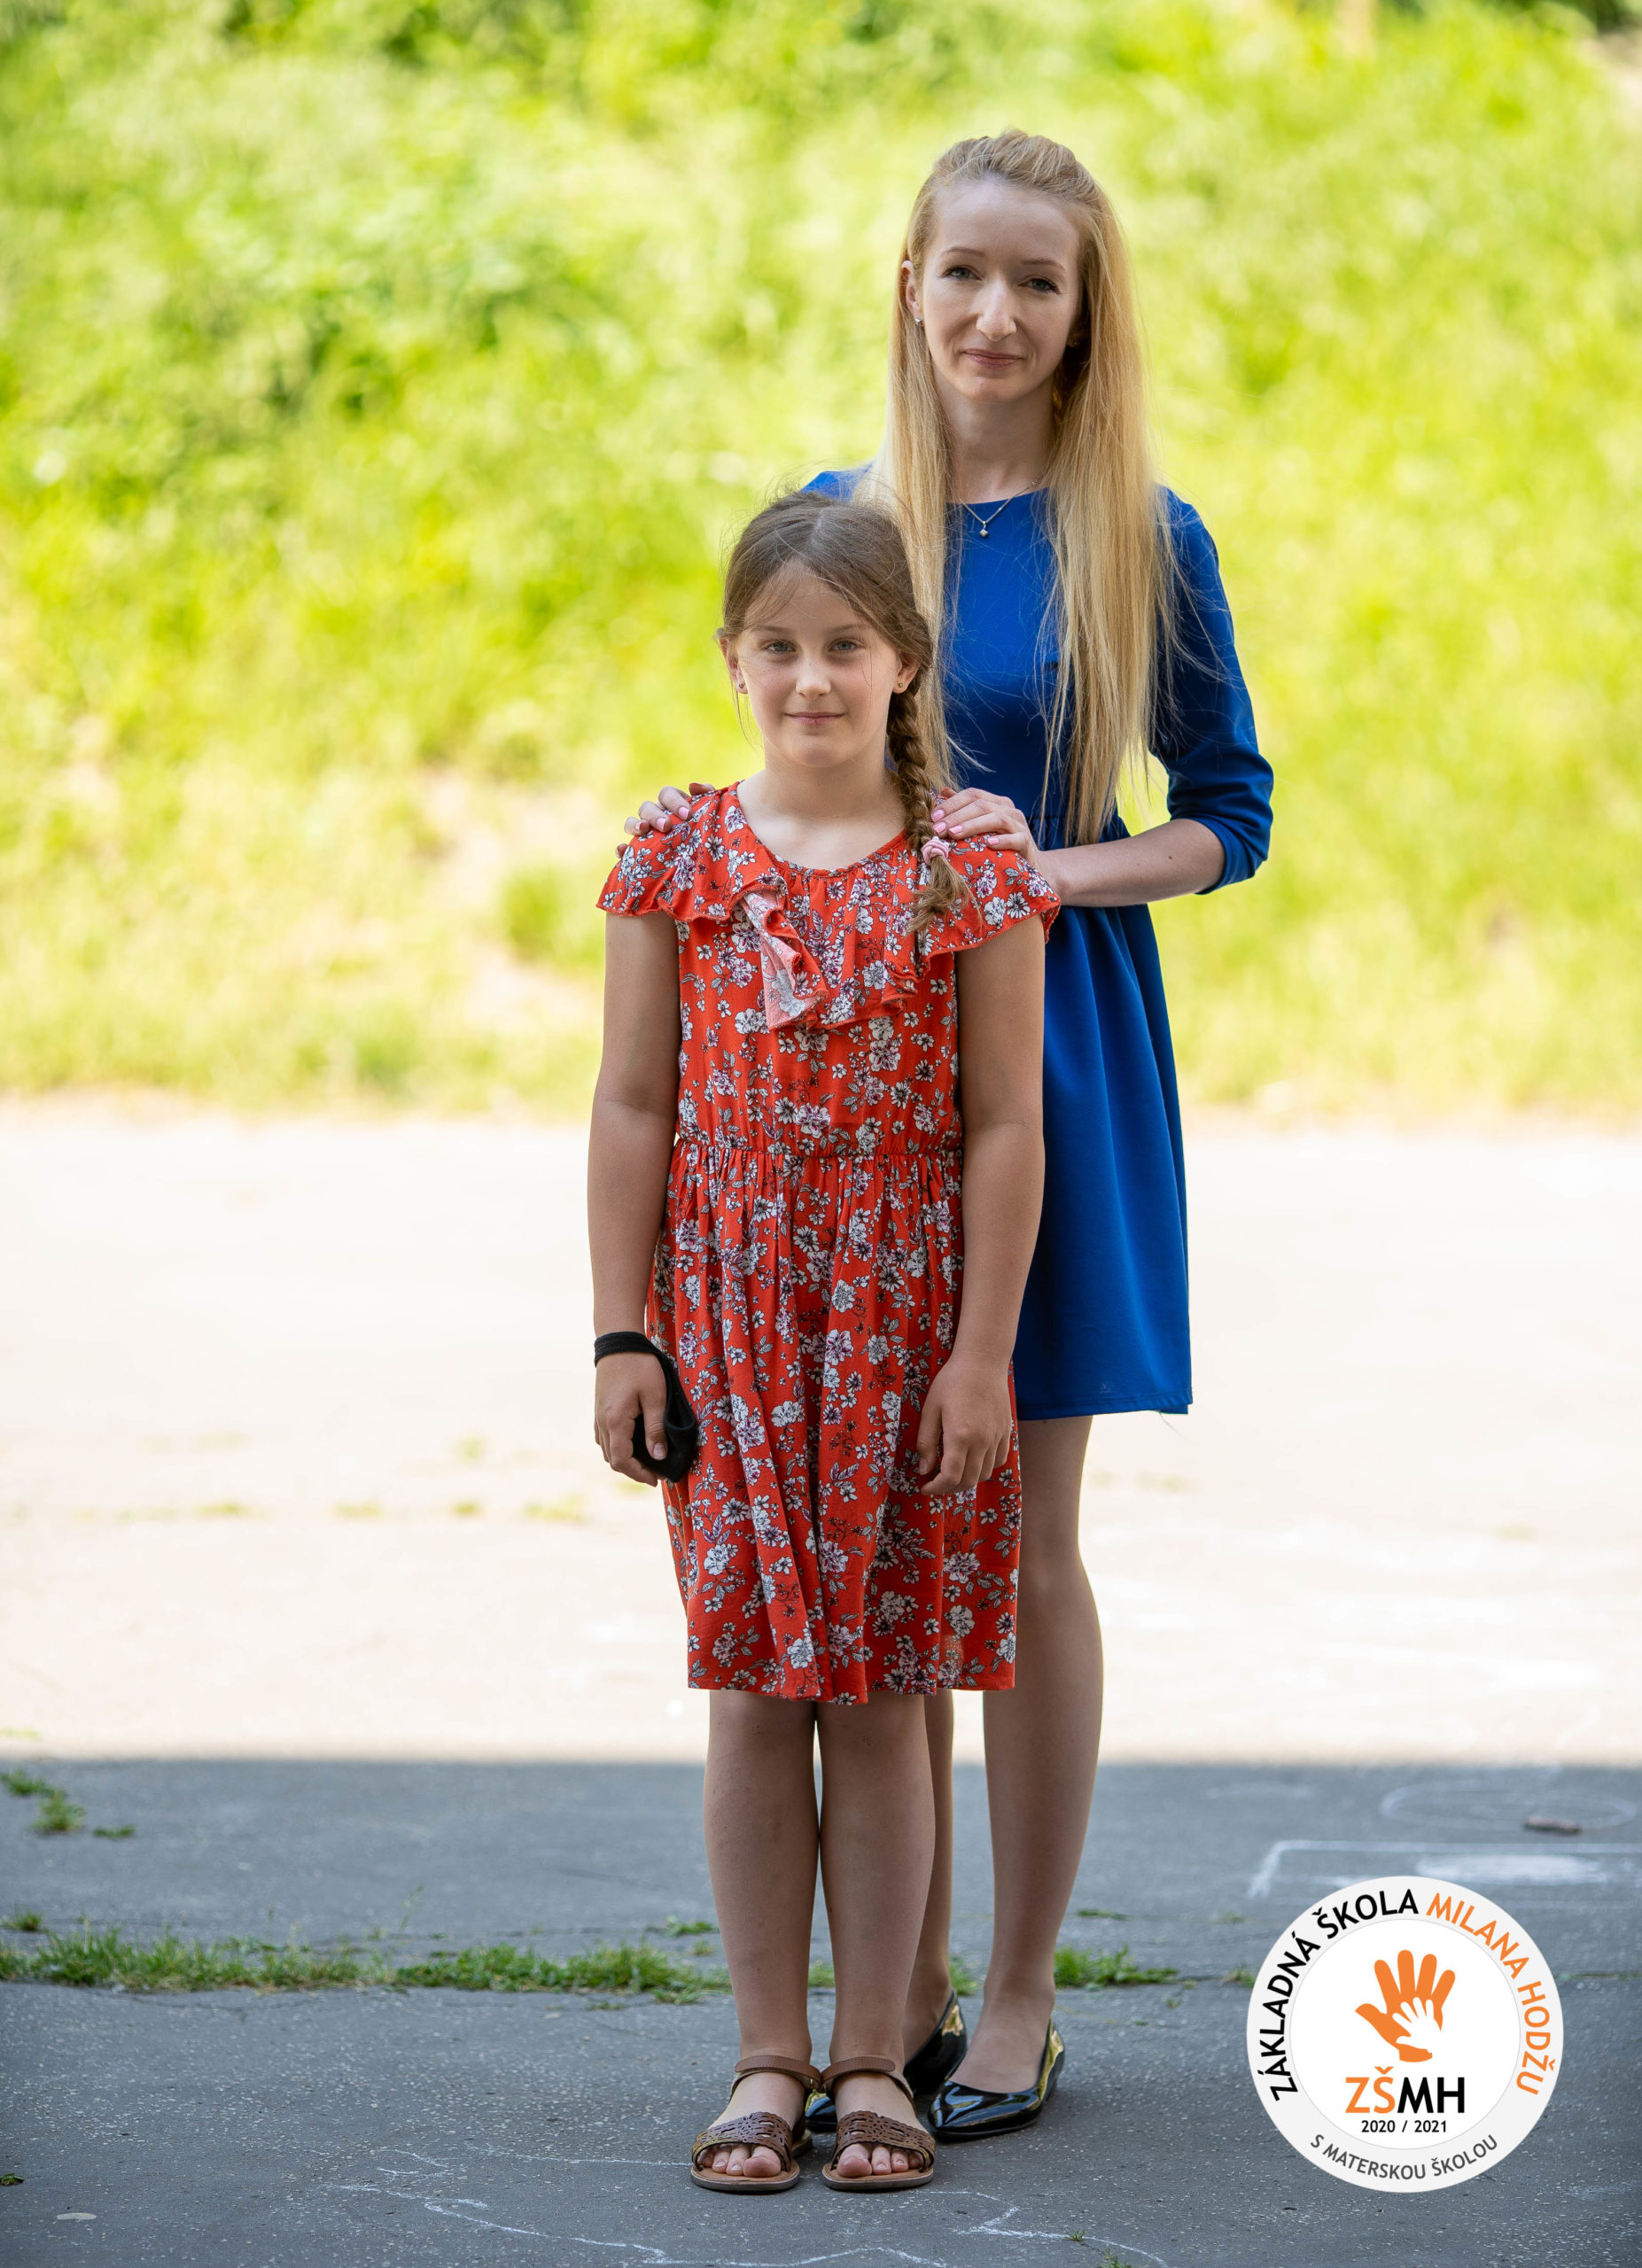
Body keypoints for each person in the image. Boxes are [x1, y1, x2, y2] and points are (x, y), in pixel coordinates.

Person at [623, 130, 1273, 2140]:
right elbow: (789, 766)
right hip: (840, 1082)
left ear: (1085, 311)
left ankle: (1013, 1992)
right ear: (909, 284)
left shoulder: (1138, 534)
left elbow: (1229, 812)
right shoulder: (843, 523)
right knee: (867, 1557)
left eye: (1038, 281)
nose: (997, 313)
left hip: (1042, 1054)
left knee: (1024, 1539)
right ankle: (873, 2003)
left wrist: (1037, 872)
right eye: (965, 272)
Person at [588, 488, 1056, 2193]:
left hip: (901, 1330)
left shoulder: (968, 865)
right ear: (732, 660)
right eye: (778, 646)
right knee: (751, 1693)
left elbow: (1004, 1124)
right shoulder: (677, 855)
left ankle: (875, 2058)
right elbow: (633, 1103)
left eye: (844, 646)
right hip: (723, 1329)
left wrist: (979, 1355)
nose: (810, 678)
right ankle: (765, 2056)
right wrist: (620, 1335)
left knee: (879, 1699)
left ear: (903, 662)